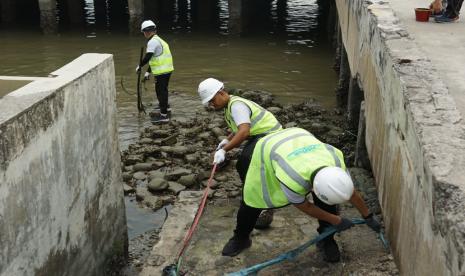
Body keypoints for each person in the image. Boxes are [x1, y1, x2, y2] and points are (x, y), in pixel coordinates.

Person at [220, 127, 382, 262]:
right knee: (253, 199)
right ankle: (241, 238)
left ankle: (327, 239)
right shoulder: (293, 176)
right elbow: (305, 206)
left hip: (299, 138)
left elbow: (351, 192)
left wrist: (368, 216)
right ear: (312, 189)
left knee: (327, 202)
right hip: (267, 149)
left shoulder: (336, 164)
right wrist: (337, 220)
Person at [197, 78, 283, 229]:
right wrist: (226, 140)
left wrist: (224, 150)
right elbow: (238, 128)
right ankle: (252, 194)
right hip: (261, 135)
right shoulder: (230, 106)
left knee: (245, 162)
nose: (211, 104)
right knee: (244, 164)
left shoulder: (236, 105)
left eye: (212, 100)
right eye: (209, 102)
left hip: (270, 136)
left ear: (221, 93)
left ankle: (263, 204)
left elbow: (244, 132)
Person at [136, 20, 174, 123]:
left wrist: (139, 66)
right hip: (166, 69)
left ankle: (164, 115)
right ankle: (166, 107)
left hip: (162, 71)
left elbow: (148, 57)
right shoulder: (159, 40)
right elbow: (155, 59)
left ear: (146, 32)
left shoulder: (152, 42)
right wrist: (148, 72)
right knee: (162, 90)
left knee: (161, 91)